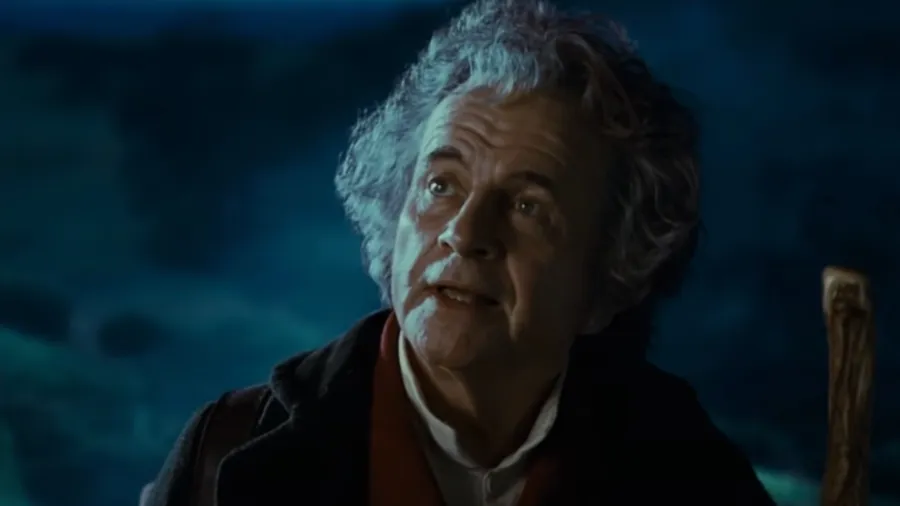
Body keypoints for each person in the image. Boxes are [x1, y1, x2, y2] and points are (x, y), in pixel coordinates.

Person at [145, 0, 776, 505]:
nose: (466, 233)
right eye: (440, 186)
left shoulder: (690, 475)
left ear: (610, 276)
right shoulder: (227, 451)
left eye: (527, 205)